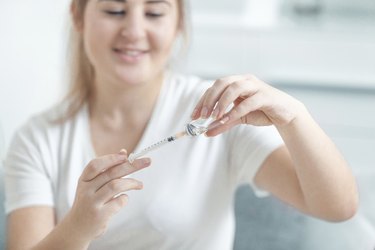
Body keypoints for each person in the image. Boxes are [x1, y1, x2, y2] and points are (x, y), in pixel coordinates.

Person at [4, 0, 358, 249]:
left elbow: (338, 206)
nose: (134, 30)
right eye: (114, 10)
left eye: (155, 12)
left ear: (178, 25)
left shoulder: (217, 113)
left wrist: (294, 117)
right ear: (78, 16)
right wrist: (78, 228)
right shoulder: (37, 140)